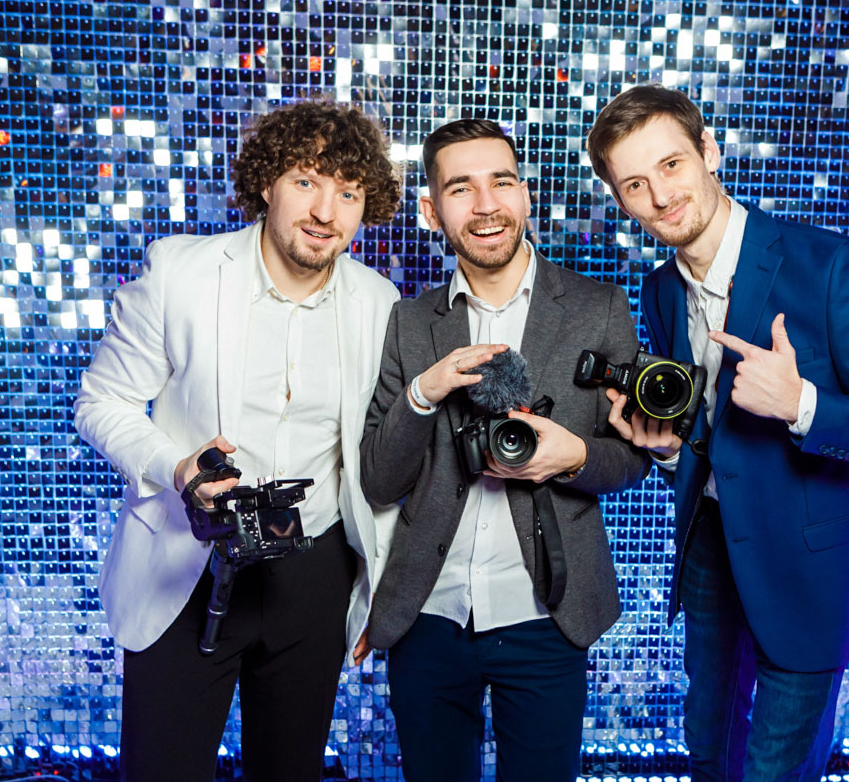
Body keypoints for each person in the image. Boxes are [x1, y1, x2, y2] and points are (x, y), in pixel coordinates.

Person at [585, 85, 849, 782]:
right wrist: (669, 450)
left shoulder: (827, 267)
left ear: (710, 152)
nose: (660, 197)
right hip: (711, 556)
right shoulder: (661, 291)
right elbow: (704, 435)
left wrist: (804, 406)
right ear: (620, 199)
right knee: (707, 752)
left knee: (774, 772)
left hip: (811, 575)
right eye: (635, 184)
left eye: (671, 166)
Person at [73, 100, 402, 782]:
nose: (325, 211)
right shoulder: (180, 275)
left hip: (313, 573)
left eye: (348, 192)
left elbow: (383, 454)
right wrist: (175, 466)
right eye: (307, 181)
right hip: (187, 561)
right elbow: (99, 402)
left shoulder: (379, 304)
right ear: (266, 181)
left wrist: (379, 585)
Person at [359, 118, 651, 782]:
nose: (485, 205)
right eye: (461, 188)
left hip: (548, 612)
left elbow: (632, 457)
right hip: (428, 615)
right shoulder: (411, 321)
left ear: (526, 195)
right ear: (433, 211)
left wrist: (572, 456)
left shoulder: (596, 308)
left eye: (501, 183)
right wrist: (423, 393)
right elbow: (380, 478)